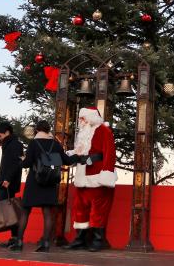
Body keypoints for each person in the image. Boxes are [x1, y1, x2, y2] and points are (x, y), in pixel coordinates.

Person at [9, 120, 77, 252]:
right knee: (47, 213)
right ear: (48, 130)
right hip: (50, 182)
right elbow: (67, 161)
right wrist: (79, 157)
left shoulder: (34, 143)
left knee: (25, 211)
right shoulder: (55, 144)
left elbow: (27, 163)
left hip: (35, 181)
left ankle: (18, 242)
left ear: (37, 130)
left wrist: (21, 160)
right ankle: (45, 243)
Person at [64, 106, 117, 252]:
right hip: (83, 175)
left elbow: (110, 153)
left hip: (98, 176)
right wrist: (69, 156)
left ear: (92, 117)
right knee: (80, 208)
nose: (80, 121)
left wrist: (106, 173)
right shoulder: (83, 133)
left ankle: (98, 240)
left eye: (83, 118)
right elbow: (79, 151)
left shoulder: (104, 131)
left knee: (98, 210)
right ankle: (80, 239)